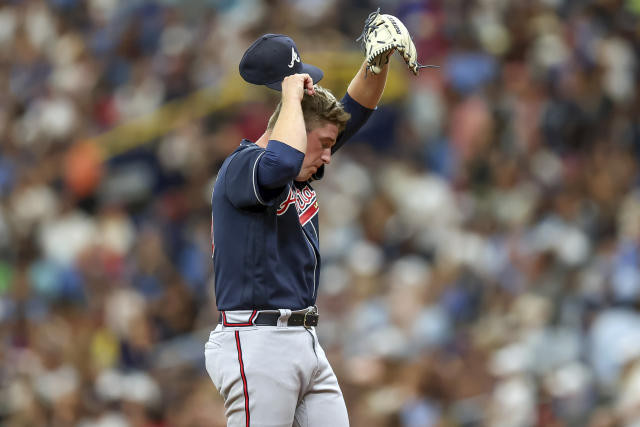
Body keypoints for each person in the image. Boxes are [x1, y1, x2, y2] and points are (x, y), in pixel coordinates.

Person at [204, 33, 391, 427]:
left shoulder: (300, 164)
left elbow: (357, 109)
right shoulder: (244, 167)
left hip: (303, 337)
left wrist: (376, 63)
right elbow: (280, 161)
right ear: (294, 127)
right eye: (322, 143)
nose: (328, 156)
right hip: (256, 339)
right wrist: (290, 95)